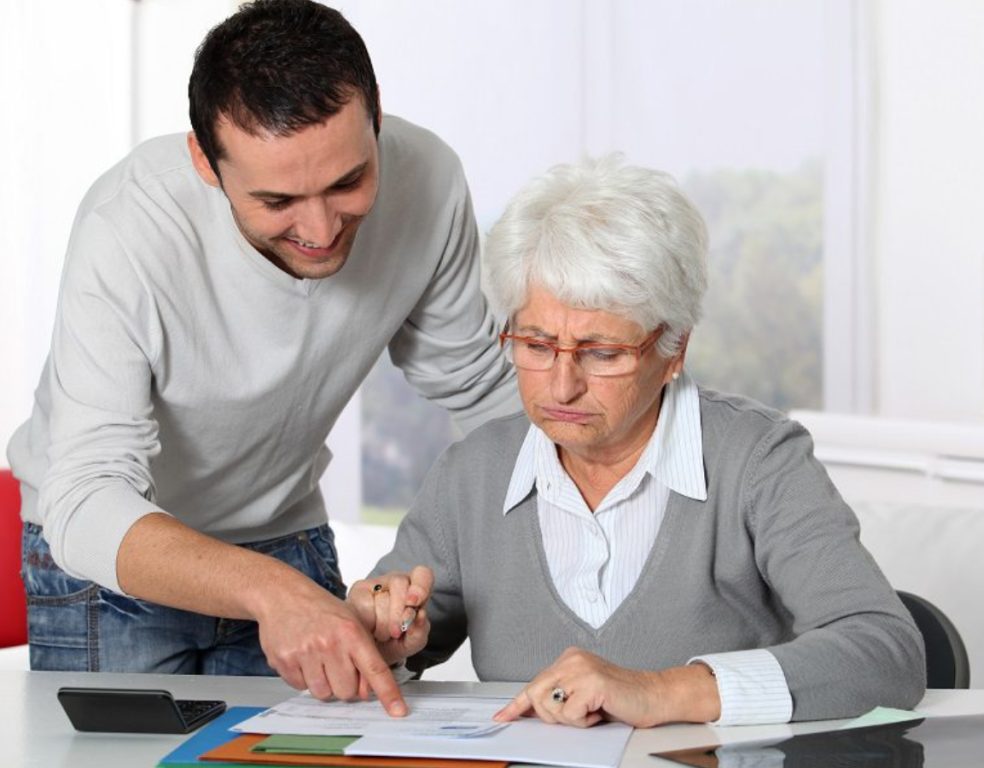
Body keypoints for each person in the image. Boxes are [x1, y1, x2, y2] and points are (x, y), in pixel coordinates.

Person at [6, 0, 518, 715]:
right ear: (204, 161)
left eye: (347, 183)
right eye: (278, 198)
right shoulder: (128, 226)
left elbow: (482, 385)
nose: (321, 229)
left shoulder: (427, 178)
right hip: (115, 563)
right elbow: (85, 498)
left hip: (287, 537)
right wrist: (271, 592)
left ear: (377, 117)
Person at [350, 155, 926, 727]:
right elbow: (391, 635)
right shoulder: (471, 473)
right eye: (535, 343)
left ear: (674, 349)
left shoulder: (759, 461)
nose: (562, 384)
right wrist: (387, 635)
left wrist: (662, 691)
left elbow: (886, 651)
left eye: (602, 354)